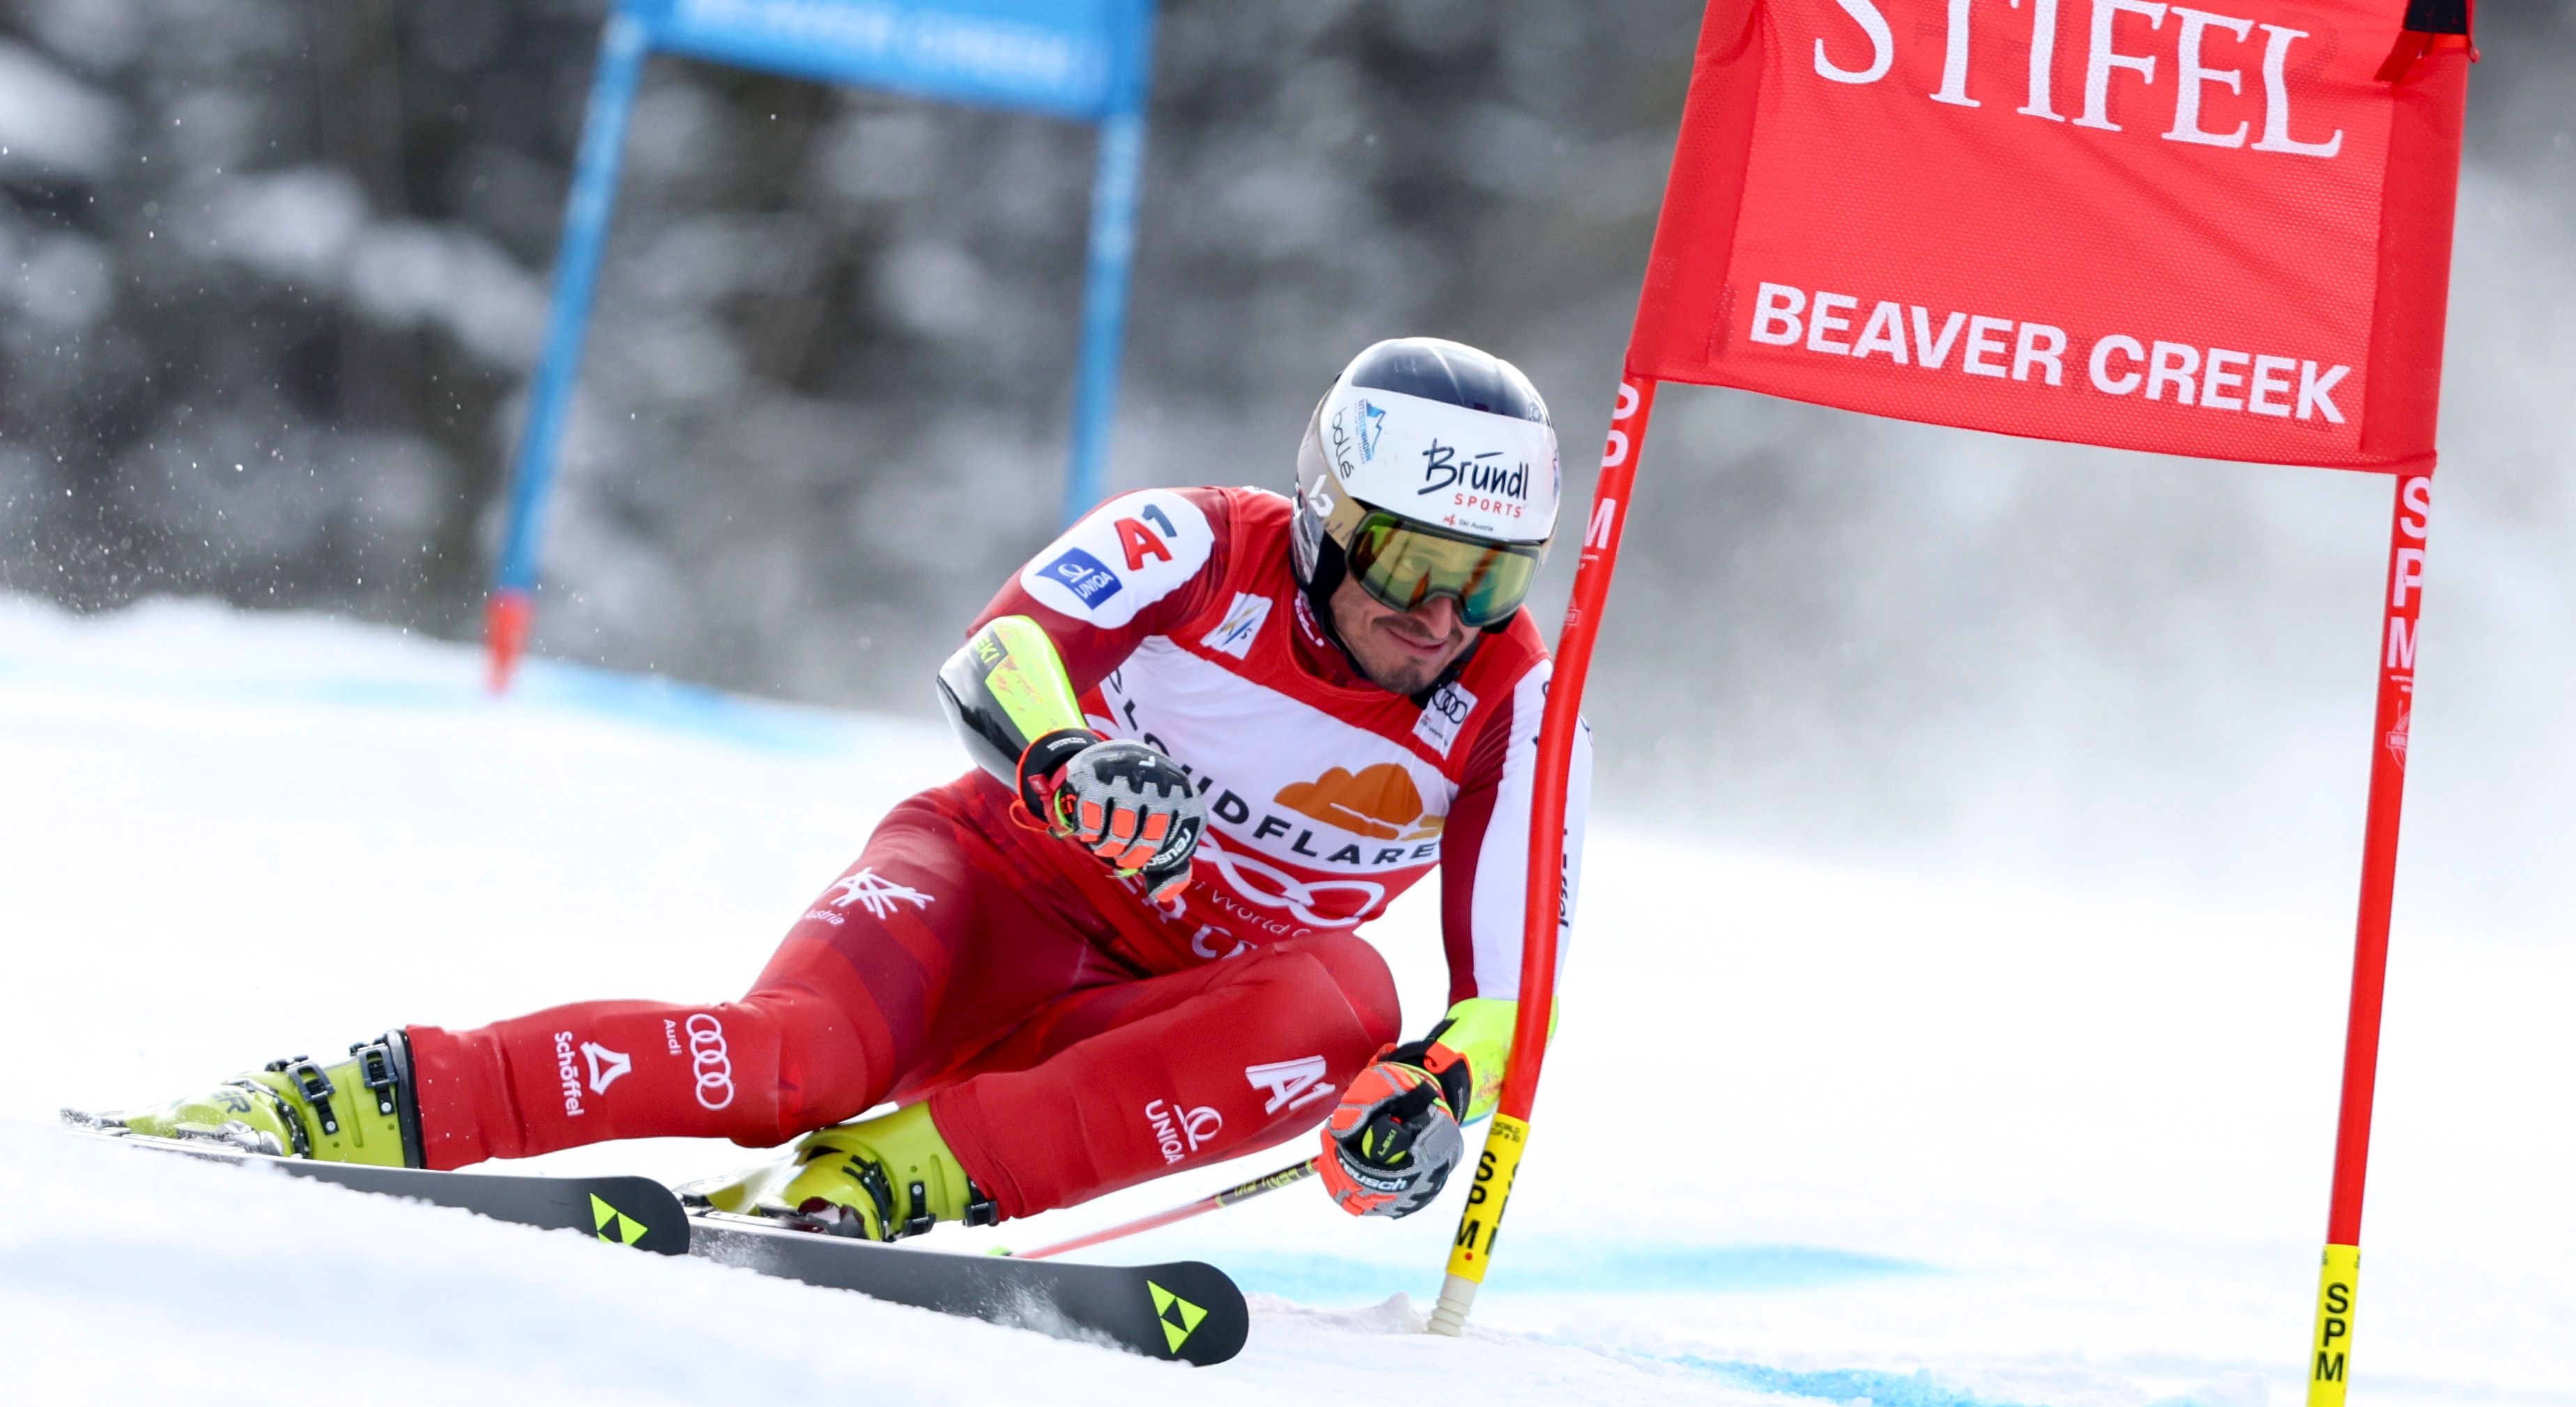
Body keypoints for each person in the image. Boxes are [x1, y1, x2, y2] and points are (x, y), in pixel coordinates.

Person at [111, 336, 1592, 1240]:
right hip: (986, 894)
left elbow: (1510, 985)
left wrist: (1434, 1093)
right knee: (790, 1066)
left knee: (1344, 997)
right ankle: (343, 1102)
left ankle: (885, 1182)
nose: (1445, 612)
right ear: (1331, 515)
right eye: (1413, 560)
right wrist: (1071, 751)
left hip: (1148, 1021)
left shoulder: (1517, 697)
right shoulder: (1199, 542)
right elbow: (1001, 651)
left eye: (1492, 576)